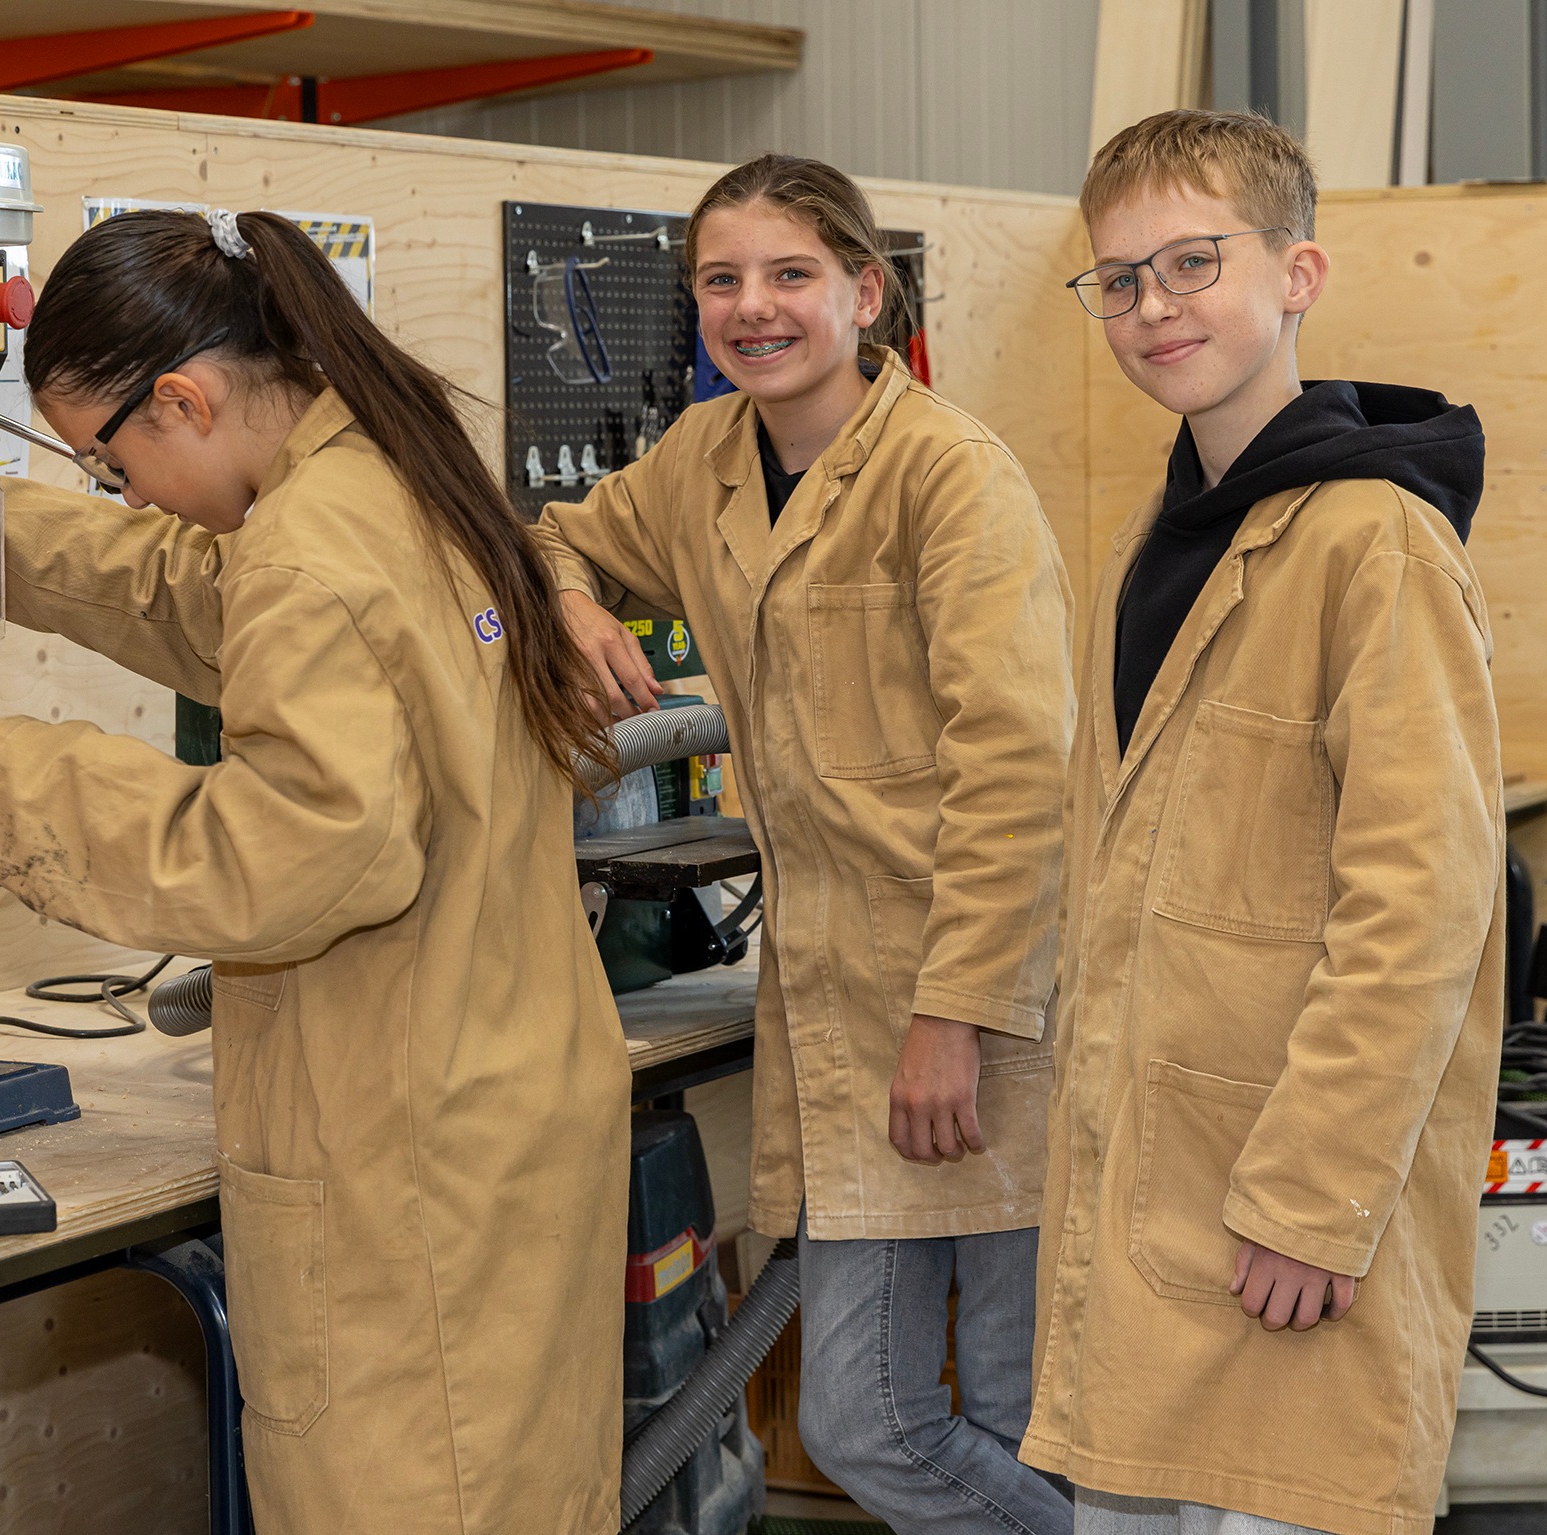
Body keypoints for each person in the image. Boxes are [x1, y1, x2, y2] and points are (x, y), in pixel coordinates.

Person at [0, 208, 632, 1534]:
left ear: (185, 399)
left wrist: (36, 784)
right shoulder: (393, 480)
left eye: (109, 457)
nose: (123, 493)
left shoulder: (313, 551)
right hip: (504, 1114)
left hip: (404, 1166)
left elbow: (305, 853)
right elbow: (193, 591)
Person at [531, 154, 1076, 1535]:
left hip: (989, 1003)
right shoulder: (705, 462)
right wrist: (572, 606)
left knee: (1005, 1411)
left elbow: (1019, 773)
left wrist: (951, 1017)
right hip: (833, 1005)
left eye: (790, 275)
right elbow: (547, 532)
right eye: (723, 280)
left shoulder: (952, 479)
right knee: (862, 1416)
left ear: (865, 292)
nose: (752, 308)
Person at [1020, 110, 1503, 1535]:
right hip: (1158, 1206)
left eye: (1191, 262)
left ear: (1298, 274)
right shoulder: (1167, 535)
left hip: (1287, 1222)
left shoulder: (1377, 542)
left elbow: (1420, 907)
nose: (1153, 306)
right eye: (1119, 280)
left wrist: (1310, 1195)